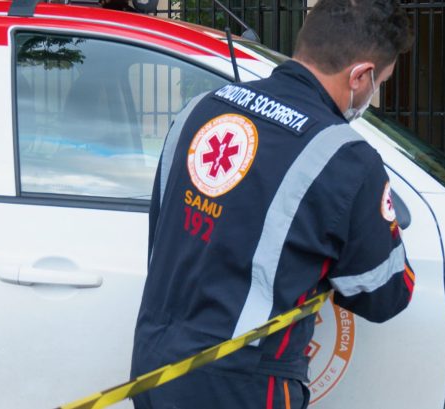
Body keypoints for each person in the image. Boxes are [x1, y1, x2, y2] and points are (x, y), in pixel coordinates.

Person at [131, 0, 415, 407]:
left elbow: (169, 226)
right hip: (244, 386)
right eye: (380, 82)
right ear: (361, 76)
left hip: (154, 367)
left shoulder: (201, 109)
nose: (374, 92)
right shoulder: (346, 157)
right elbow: (383, 293)